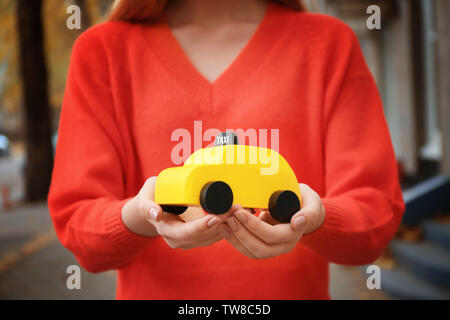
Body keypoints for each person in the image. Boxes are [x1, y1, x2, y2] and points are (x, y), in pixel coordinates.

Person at [48, 0, 405, 299]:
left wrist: (315, 219)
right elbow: (80, 226)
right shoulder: (103, 52)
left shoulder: (328, 44)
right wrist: (144, 216)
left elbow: (374, 216)